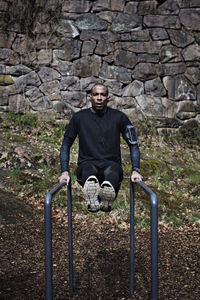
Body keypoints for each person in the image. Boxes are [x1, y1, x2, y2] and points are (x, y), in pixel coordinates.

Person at [59, 83, 142, 212]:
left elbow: (133, 144)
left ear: (108, 98)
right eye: (95, 94)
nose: (99, 98)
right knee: (88, 172)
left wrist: (136, 170)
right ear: (89, 97)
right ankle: (92, 198)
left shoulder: (119, 117)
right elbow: (66, 144)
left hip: (111, 166)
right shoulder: (79, 118)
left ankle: (106, 199)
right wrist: (64, 171)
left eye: (102, 95)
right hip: (87, 165)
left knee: (114, 172)